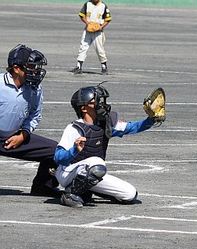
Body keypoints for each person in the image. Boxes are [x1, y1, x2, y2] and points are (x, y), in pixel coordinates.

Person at [54, 84, 157, 208]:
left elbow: (131, 127)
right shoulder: (74, 128)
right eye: (96, 101)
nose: (101, 105)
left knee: (130, 194)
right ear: (84, 108)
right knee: (97, 162)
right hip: (67, 173)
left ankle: (86, 189)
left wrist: (151, 119)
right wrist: (74, 150)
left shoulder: (105, 125)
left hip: (91, 171)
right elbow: (58, 157)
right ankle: (70, 194)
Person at [1, 44, 60, 197]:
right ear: (16, 68)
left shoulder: (36, 88)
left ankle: (43, 186)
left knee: (57, 151)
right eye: (32, 67)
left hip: (14, 137)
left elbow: (35, 114)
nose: (36, 71)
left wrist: (24, 134)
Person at [70, 0, 112, 75]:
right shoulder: (87, 4)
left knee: (99, 49)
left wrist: (101, 27)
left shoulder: (103, 5)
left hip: (98, 32)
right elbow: (81, 15)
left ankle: (104, 67)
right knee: (83, 47)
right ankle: (78, 66)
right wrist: (88, 23)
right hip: (88, 30)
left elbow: (108, 19)